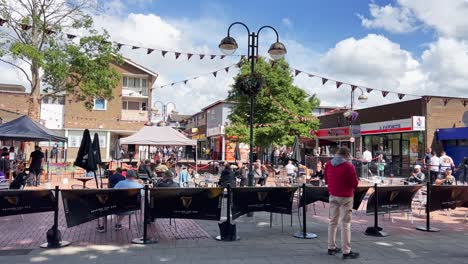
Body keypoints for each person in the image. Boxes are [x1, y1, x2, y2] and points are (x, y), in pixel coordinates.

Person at [324, 147, 360, 259]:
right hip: (346, 196)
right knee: (345, 223)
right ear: (347, 155)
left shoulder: (328, 164)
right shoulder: (349, 166)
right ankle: (346, 251)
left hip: (333, 194)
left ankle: (331, 247)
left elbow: (326, 179)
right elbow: (354, 183)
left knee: (332, 221)